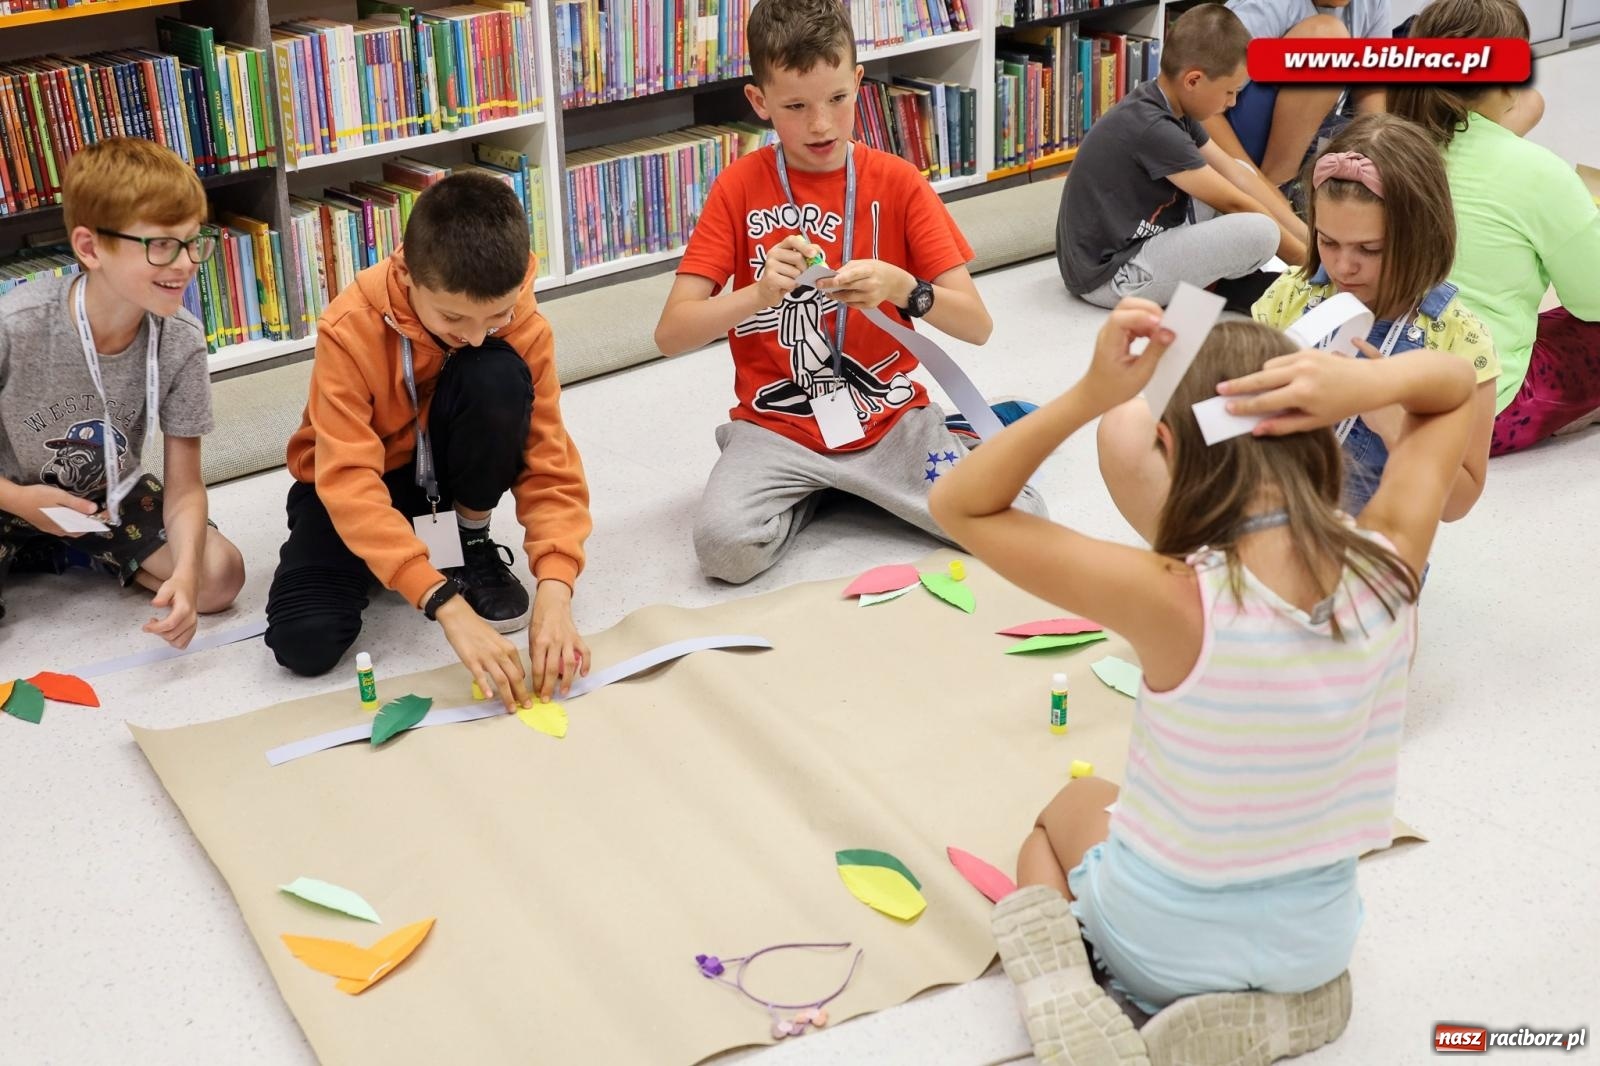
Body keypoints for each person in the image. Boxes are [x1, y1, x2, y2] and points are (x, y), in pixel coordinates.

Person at [930, 304, 1476, 1065]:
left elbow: (959, 503)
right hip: (1314, 947)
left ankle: (1060, 987)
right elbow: (1454, 387)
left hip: (1160, 949)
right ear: (1321, 428)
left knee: (1065, 811)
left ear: (1168, 447)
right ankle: (1282, 1003)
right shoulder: (1392, 559)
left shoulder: (1172, 595)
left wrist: (1090, 394)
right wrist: (1363, 384)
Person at [654, 0, 1043, 584]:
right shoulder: (736, 187)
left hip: (889, 421)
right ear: (759, 101)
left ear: (859, 82)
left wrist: (905, 288)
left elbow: (977, 326)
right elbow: (670, 334)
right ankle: (836, 486)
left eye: (837, 99)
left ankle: (936, 444)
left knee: (1023, 521)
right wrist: (756, 295)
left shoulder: (900, 183)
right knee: (724, 550)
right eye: (795, 106)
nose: (821, 125)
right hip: (778, 429)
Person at [264, 172, 592, 707]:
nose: (477, 335)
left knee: (494, 373)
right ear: (407, 274)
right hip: (357, 484)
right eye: (454, 317)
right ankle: (396, 555)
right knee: (304, 642)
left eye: (498, 315)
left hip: (448, 478)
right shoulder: (349, 326)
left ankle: (468, 537)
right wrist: (441, 600)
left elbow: (548, 459)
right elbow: (346, 478)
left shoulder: (526, 327)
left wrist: (556, 591)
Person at [1098, 113, 1499, 540]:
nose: (1344, 266)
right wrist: (1189, 378)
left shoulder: (1456, 338)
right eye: (1327, 241)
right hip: (1266, 516)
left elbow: (1458, 503)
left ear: (1423, 235)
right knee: (1127, 426)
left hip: (1361, 549)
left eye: (1370, 248)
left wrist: (1392, 421)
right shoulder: (1293, 294)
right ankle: (1205, 570)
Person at [0, 137, 244, 645]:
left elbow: (185, 487)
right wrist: (20, 500)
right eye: (161, 245)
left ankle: (79, 551)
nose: (185, 263)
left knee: (218, 577)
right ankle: (50, 547)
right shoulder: (15, 325)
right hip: (7, 492)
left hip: (105, 495)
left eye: (193, 241)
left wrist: (185, 578)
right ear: (90, 248)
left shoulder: (180, 340)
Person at [1392, 0, 1600, 455]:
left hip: (1378, 389)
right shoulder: (1537, 172)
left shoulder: (1389, 147)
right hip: (1484, 410)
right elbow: (1593, 300)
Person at [1054, 3, 1308, 311]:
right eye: (1230, 92)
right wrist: (1310, 266)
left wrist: (1311, 242)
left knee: (1239, 171)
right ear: (1193, 80)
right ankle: (1222, 286)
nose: (1232, 102)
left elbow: (1236, 174)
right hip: (1111, 276)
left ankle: (1217, 283)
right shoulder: (1153, 127)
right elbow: (1236, 203)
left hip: (1145, 240)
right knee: (1262, 232)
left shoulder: (1170, 105)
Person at [1206, 0, 1390, 190]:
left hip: (1305, 130)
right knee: (1328, 38)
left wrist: (1375, 162)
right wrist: (1254, 182)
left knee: (1377, 147)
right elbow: (1203, 112)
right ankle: (1281, 185)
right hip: (1234, 134)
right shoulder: (1265, 6)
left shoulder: (1374, 4)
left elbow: (1371, 92)